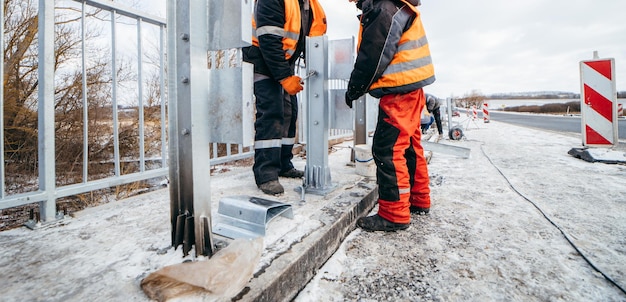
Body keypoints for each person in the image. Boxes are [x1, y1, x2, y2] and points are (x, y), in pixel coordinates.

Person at [344, 0, 435, 231]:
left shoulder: (384, 6)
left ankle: (394, 214)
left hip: (399, 92)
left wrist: (355, 88)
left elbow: (373, 55)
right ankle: (419, 199)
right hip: (411, 89)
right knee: (410, 147)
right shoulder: (395, 4)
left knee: (388, 150)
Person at [243, 0, 327, 195]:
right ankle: (266, 173)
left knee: (290, 111)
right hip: (261, 58)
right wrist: (284, 77)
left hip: (284, 62)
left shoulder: (309, 5)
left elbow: (308, 39)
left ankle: (283, 163)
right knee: (272, 110)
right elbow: (269, 40)